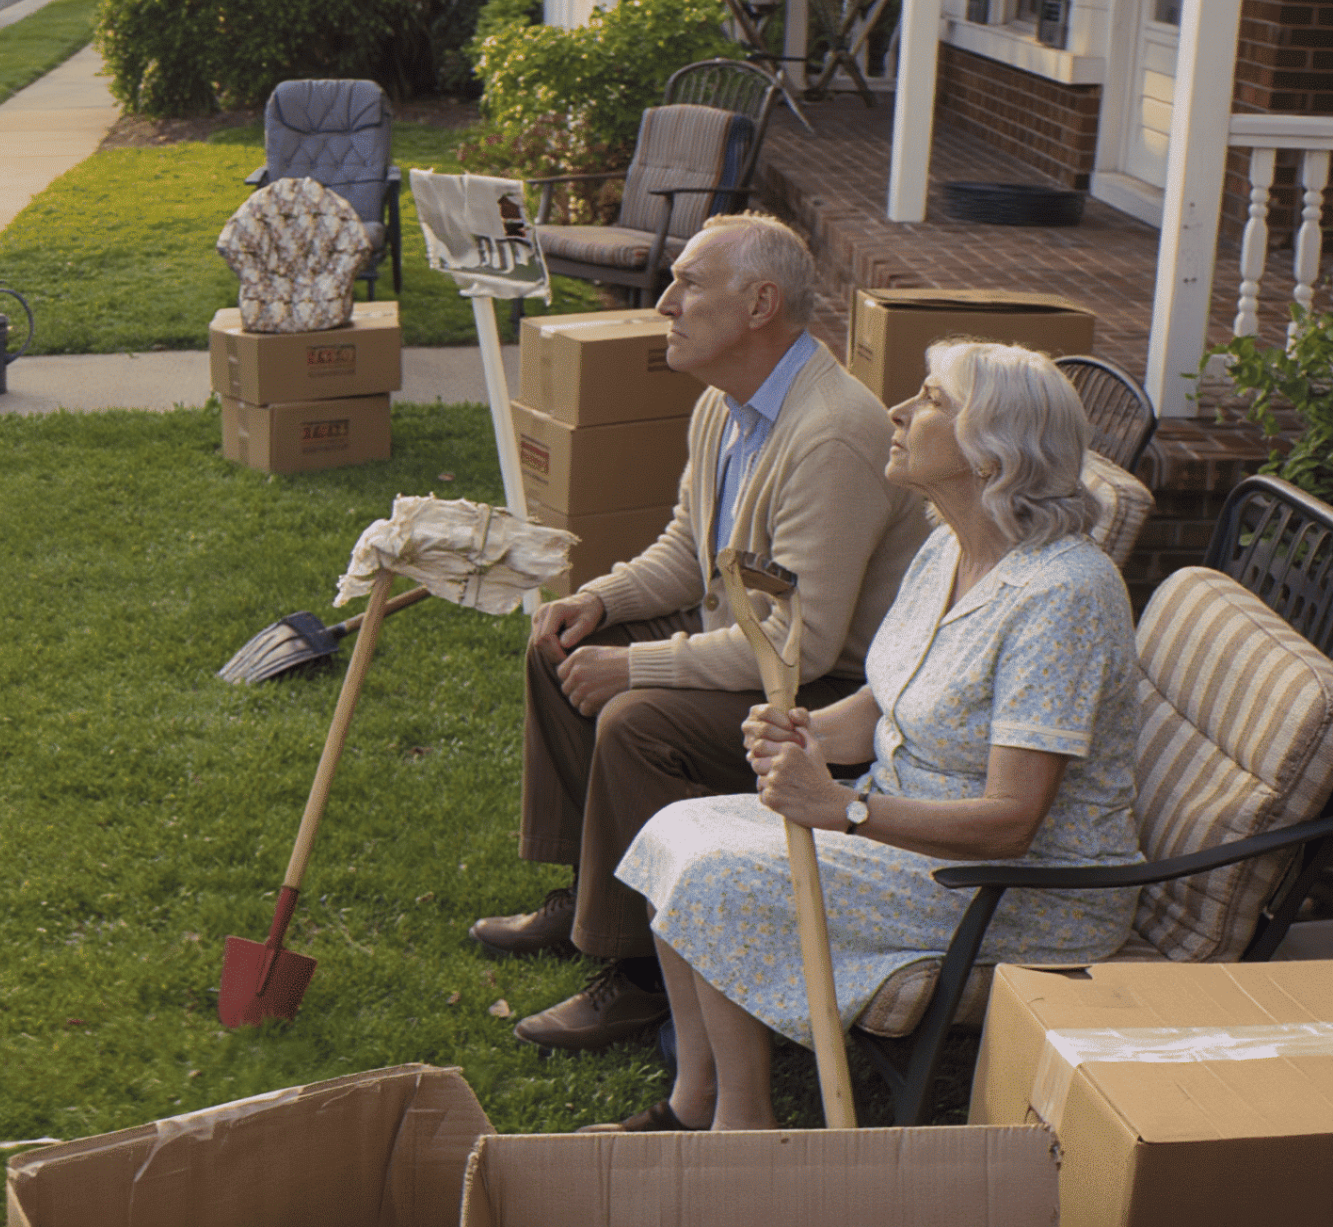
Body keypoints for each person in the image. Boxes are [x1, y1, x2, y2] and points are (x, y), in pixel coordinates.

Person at [586, 340, 1142, 1132]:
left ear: (993, 453)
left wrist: (841, 808)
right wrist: (806, 729)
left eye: (931, 400)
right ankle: (697, 1099)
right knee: (673, 831)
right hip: (913, 834)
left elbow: (1012, 820)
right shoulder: (949, 544)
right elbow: (886, 700)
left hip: (1020, 892)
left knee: (722, 879)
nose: (899, 412)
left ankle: (740, 1130)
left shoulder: (1063, 597)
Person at [472, 212, 930, 1051]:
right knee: (560, 645)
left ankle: (643, 968)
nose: (666, 304)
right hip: (758, 643)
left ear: (760, 304)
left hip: (829, 695)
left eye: (689, 284)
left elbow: (803, 644)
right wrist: (599, 605)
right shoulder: (728, 405)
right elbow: (692, 548)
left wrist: (640, 668)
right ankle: (588, 888)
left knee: (637, 718)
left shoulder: (831, 433)